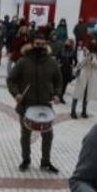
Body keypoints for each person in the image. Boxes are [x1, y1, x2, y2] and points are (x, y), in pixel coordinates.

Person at [7, 29, 63, 173]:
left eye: (43, 44)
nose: (40, 46)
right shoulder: (23, 61)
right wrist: (16, 94)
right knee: (25, 135)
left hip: (45, 105)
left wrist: (57, 94)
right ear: (32, 44)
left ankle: (45, 162)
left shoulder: (51, 62)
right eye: (37, 44)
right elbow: (11, 80)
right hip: (26, 105)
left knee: (48, 135)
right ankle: (26, 160)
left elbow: (58, 80)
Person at [71, 40, 97, 119]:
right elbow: (80, 62)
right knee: (77, 93)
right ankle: (73, 111)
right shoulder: (82, 52)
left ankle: (84, 110)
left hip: (91, 76)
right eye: (92, 42)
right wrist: (87, 55)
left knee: (87, 94)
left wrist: (92, 59)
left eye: (94, 43)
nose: (93, 44)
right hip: (83, 74)